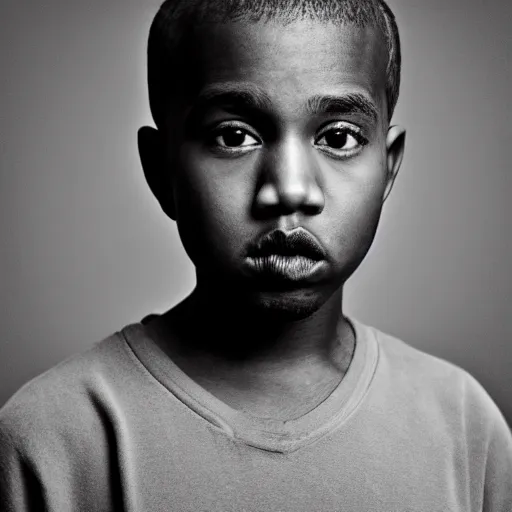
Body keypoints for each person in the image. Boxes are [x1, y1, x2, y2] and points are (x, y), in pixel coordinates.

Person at [1, 0, 511, 510]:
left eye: (339, 137)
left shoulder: (463, 424)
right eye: (234, 136)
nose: (290, 190)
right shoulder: (52, 435)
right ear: (161, 173)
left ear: (388, 169)